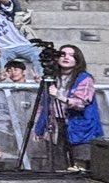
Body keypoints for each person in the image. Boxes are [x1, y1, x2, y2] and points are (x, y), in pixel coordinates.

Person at [29, 43, 102, 171]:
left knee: (79, 166)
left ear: (78, 60)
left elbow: (81, 104)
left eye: (71, 55)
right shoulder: (52, 78)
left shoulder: (84, 78)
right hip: (55, 125)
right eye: (62, 54)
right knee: (57, 165)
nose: (66, 58)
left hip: (79, 127)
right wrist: (39, 128)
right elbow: (45, 105)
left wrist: (60, 96)